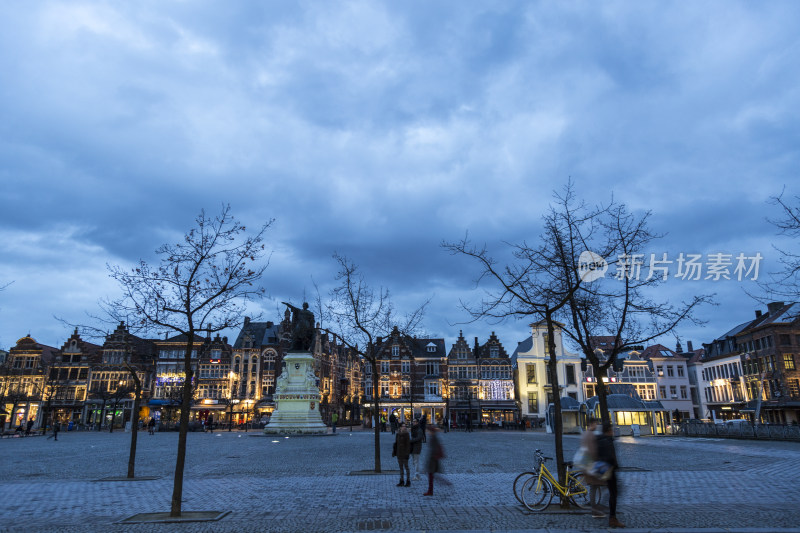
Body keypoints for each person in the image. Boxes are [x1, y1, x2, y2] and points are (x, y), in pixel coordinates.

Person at [597, 423, 624, 528]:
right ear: (608, 431)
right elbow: (610, 457)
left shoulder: (600, 440)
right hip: (610, 470)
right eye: (611, 430)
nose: (613, 431)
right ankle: (612, 518)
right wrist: (615, 466)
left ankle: (607, 512)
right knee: (614, 493)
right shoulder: (608, 441)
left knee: (612, 492)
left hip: (603, 469)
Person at [579, 417, 604, 518]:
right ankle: (595, 510)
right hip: (591, 465)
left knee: (594, 487)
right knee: (597, 486)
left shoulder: (585, 434)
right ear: (591, 424)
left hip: (586, 464)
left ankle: (595, 508)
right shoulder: (591, 435)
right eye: (595, 424)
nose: (596, 426)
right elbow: (593, 451)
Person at [423, 426, 445, 496]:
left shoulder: (433, 438)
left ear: (431, 431)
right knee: (432, 476)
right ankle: (430, 491)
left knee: (431, 475)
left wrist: (431, 458)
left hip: (433, 460)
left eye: (428, 431)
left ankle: (430, 491)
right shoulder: (433, 437)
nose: (427, 432)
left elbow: (434, 449)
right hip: (433, 460)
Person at [394, 422, 411, 487]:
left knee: (406, 467)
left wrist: (407, 453)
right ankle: (401, 480)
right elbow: (396, 444)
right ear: (400, 427)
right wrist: (395, 452)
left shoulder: (406, 434)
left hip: (405, 453)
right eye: (403, 426)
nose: (404, 427)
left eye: (405, 426)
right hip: (399, 453)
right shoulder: (398, 434)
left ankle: (408, 481)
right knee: (401, 467)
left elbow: (408, 445)